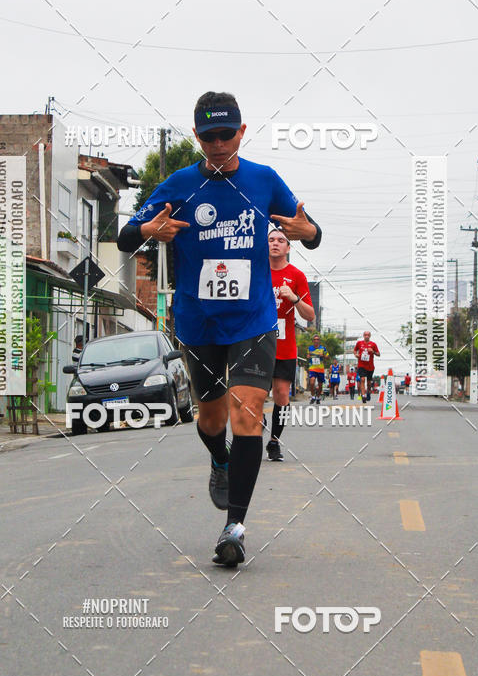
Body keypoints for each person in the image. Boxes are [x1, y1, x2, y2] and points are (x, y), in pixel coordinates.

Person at [117, 91, 321, 567]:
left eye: (227, 134)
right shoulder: (179, 184)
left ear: (242, 132)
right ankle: (220, 459)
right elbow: (125, 235)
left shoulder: (264, 180)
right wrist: (149, 231)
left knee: (247, 414)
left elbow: (312, 230)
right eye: (209, 137)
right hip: (198, 322)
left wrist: (306, 232)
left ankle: (235, 527)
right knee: (211, 421)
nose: (219, 144)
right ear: (197, 137)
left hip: (253, 320)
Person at [267, 227, 315, 461]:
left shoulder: (296, 276)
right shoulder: (256, 271)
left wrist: (294, 298)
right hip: (256, 343)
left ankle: (274, 441)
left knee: (282, 395)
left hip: (284, 345)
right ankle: (252, 432)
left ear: (288, 247)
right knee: (253, 395)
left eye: (280, 240)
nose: (275, 243)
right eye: (271, 240)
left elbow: (310, 315)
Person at [353, 330, 380, 402]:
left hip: (370, 366)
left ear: (370, 336)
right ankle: (363, 395)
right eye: (365, 335)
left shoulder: (373, 344)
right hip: (361, 365)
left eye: (368, 335)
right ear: (363, 336)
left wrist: (373, 351)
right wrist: (356, 354)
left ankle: (368, 392)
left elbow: (378, 354)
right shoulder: (359, 343)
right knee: (362, 379)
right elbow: (355, 350)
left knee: (368, 383)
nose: (366, 336)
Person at [307, 334, 328, 403]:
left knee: (320, 385)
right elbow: (308, 355)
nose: (316, 341)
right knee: (312, 382)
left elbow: (328, 357)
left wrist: (323, 355)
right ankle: (313, 396)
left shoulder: (323, 348)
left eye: (317, 339)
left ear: (319, 341)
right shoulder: (310, 348)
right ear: (313, 341)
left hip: (320, 369)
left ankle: (318, 397)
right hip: (312, 368)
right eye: (315, 339)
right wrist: (308, 356)